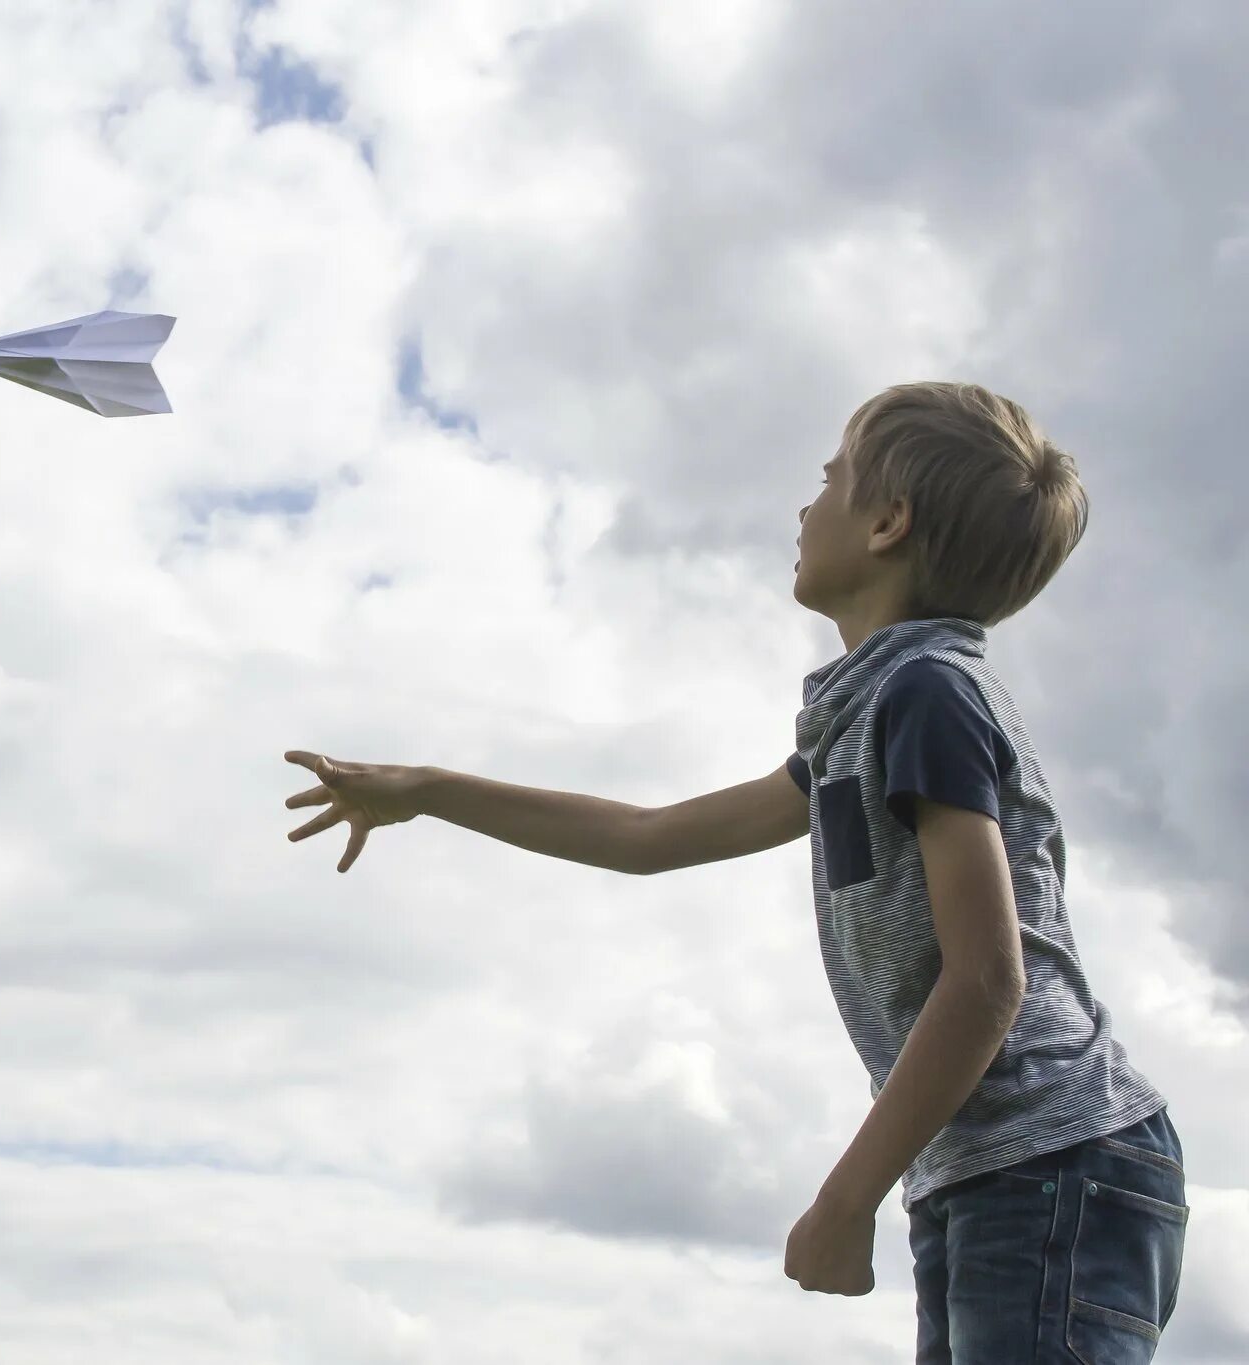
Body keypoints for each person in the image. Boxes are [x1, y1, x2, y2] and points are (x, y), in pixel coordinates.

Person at [283, 381, 1187, 1363]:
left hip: (1055, 1160)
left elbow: (984, 981)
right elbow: (645, 836)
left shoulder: (929, 694)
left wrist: (844, 1200)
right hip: (994, 1167)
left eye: (830, 480)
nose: (806, 507)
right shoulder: (869, 712)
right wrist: (426, 789)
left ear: (886, 523)